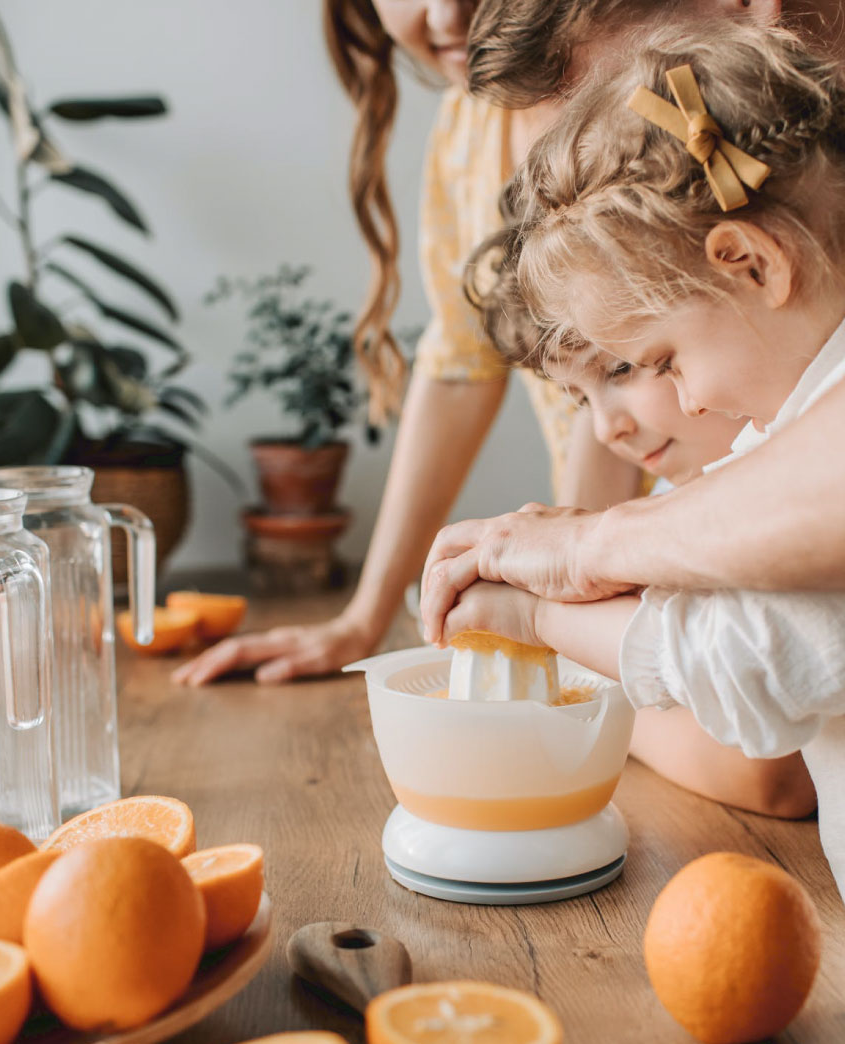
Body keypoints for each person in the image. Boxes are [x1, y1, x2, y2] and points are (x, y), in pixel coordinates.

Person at [423, 22, 845, 892]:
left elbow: (748, 658)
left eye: (658, 361)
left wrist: (537, 620)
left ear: (750, 263)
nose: (688, 401)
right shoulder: (797, 416)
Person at [173, 0, 639, 688]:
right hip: (602, 590)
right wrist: (364, 619)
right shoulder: (467, 127)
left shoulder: (636, 92)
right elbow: (460, 364)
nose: (448, 16)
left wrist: (573, 589)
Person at [549, 346, 814, 815]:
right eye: (581, 400)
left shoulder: (790, 487)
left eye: (621, 368)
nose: (606, 430)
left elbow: (771, 771)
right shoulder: (676, 488)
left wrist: (577, 700)